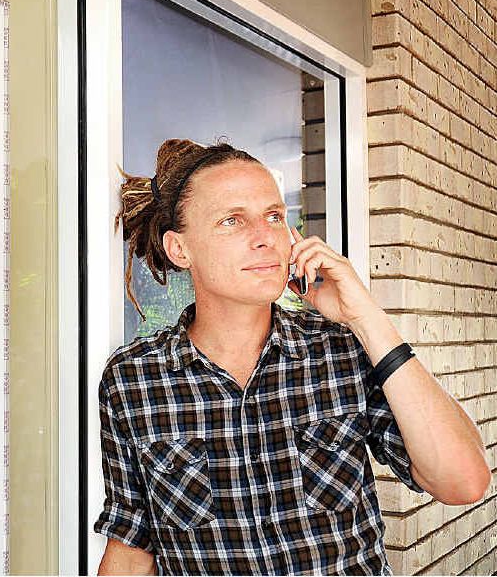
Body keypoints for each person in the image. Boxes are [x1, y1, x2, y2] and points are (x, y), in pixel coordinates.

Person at [94, 138, 490, 575]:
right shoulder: (134, 381)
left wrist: (367, 319)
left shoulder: (341, 349)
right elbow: (132, 548)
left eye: (274, 216)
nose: (265, 237)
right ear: (179, 249)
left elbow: (463, 482)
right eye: (232, 221)